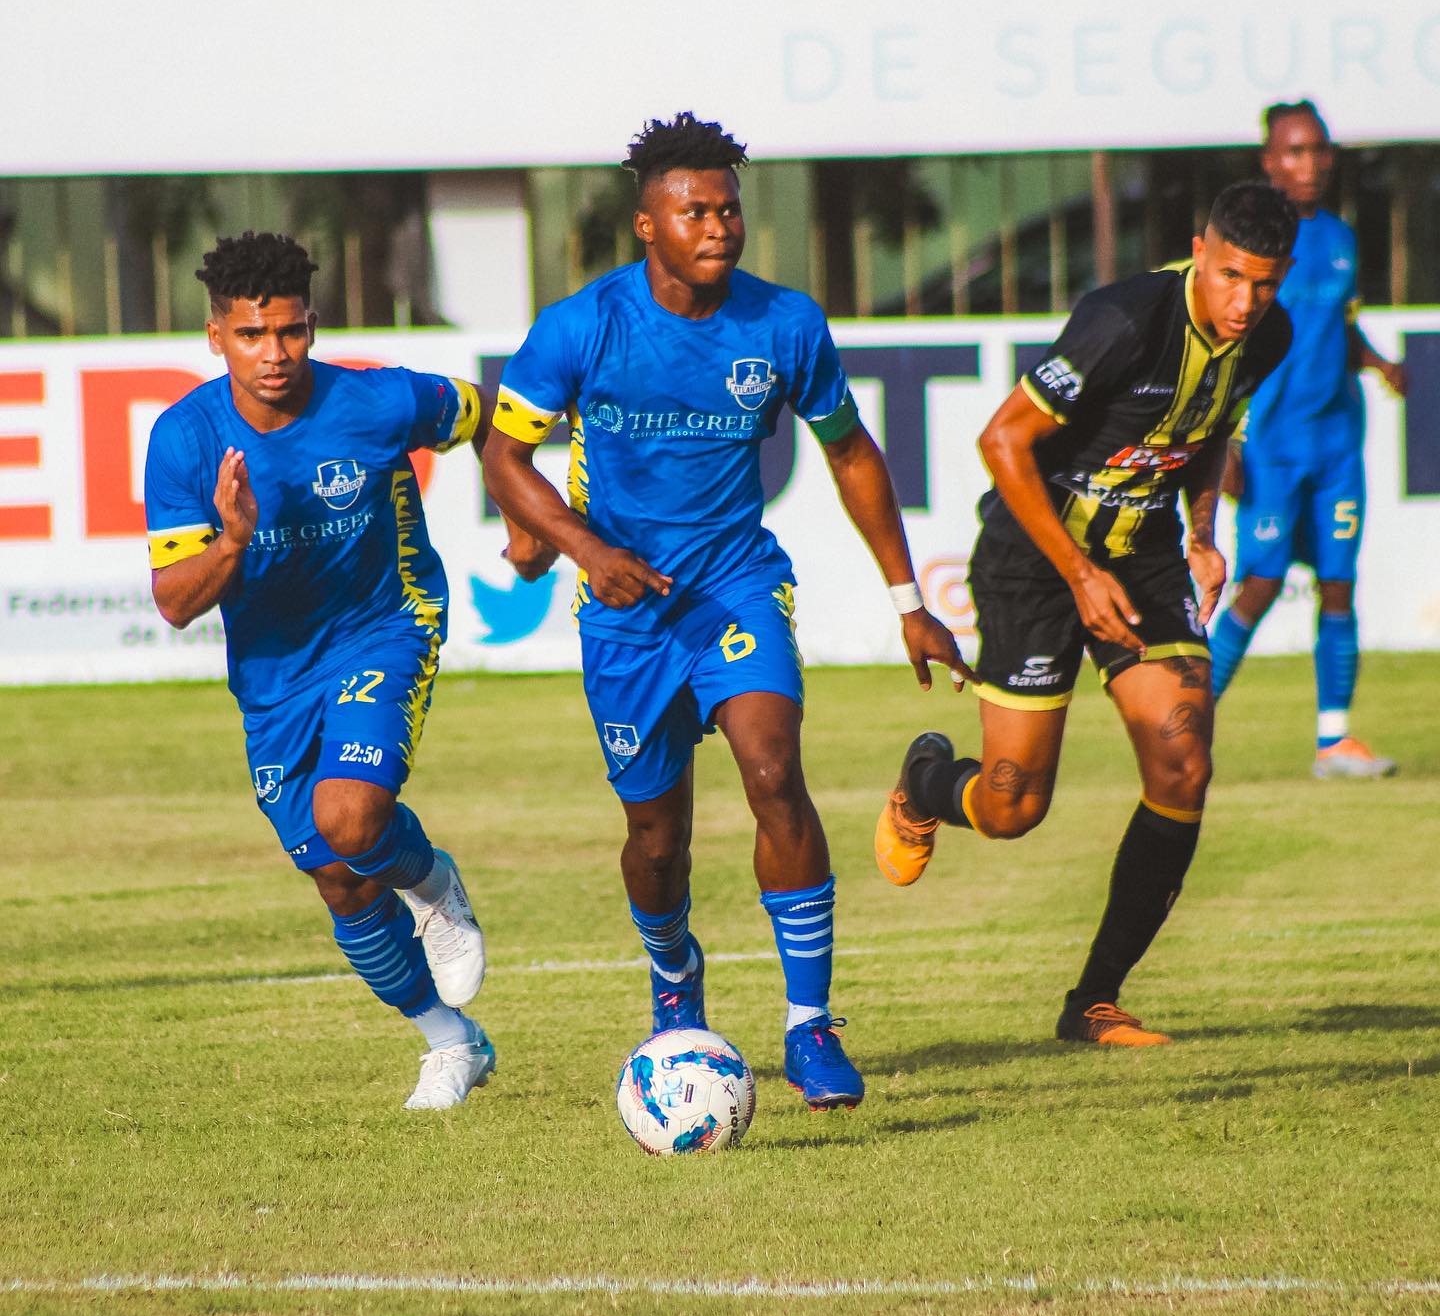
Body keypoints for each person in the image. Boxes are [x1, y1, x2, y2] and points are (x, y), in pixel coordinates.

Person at [483, 113, 967, 1110]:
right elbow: (505, 458)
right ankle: (673, 973)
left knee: (774, 773)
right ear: (647, 226)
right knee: (657, 843)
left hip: (737, 585)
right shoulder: (581, 326)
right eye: (694, 211)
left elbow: (851, 452)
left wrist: (908, 601)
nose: (719, 227)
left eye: (730, 210)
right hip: (624, 615)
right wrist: (586, 550)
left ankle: (810, 1024)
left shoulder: (785, 324)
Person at [875, 182, 1298, 1047]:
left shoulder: (1268, 334)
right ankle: (925, 783)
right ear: (1199, 252)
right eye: (1231, 277)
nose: (1245, 301)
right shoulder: (1125, 320)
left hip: (1142, 555)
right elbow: (1001, 439)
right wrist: (1077, 574)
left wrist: (1202, 535)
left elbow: (1210, 430)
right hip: (1035, 561)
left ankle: (1094, 1001)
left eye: (1264, 282)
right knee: (1011, 808)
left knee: (1183, 763)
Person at [144, 231, 552, 1110]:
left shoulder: (378, 401)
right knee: (336, 873)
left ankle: (433, 884)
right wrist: (235, 541)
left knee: (352, 816)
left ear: (313, 326)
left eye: (290, 331)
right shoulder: (183, 439)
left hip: (385, 628)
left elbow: (496, 417)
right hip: (275, 678)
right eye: (252, 335)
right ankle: (451, 1042)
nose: (274, 353)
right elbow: (174, 601)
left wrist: (527, 521)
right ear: (216, 336)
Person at [1208, 101, 1408, 778]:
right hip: (1272, 445)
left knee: (1339, 585)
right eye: (1295, 151)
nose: (1311, 163)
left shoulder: (1341, 237)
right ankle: (1188, 723)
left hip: (1338, 444)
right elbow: (1226, 342)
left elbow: (1339, 326)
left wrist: (1378, 363)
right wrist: (1225, 441)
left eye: (1319, 150)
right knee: (1260, 584)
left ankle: (1334, 742)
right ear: (1269, 161)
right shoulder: (1254, 246)